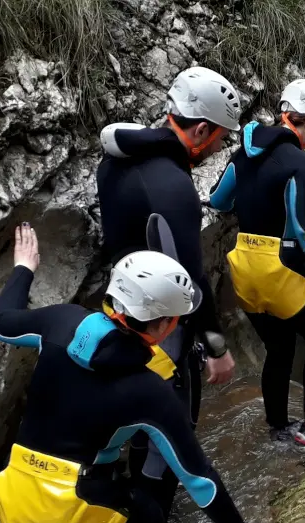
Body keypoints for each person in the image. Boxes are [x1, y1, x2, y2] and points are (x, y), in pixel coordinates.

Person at [0, 224, 279, 523]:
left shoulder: (60, 322)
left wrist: (24, 268)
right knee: (151, 518)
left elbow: (0, 322)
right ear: (163, 326)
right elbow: (199, 479)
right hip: (73, 505)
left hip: (14, 502)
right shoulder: (148, 392)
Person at [97, 66, 241, 428]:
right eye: (221, 137)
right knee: (171, 427)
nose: (220, 147)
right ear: (202, 129)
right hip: (160, 328)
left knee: (128, 422)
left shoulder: (117, 160)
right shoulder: (173, 187)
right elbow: (190, 279)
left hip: (116, 309)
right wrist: (216, 347)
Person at [208, 79, 305, 446]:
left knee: (279, 347)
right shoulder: (298, 161)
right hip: (280, 267)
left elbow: (218, 200)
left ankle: (278, 427)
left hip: (244, 266)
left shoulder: (242, 154)